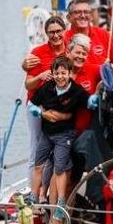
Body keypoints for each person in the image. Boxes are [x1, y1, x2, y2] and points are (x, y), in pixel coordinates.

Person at [28, 56, 96, 224]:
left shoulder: (77, 91)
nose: (60, 76)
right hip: (46, 134)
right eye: (56, 73)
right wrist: (39, 112)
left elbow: (88, 101)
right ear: (53, 73)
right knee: (38, 165)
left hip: (64, 135)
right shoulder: (47, 88)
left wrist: (95, 100)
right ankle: (33, 199)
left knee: (60, 168)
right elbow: (32, 103)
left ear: (69, 73)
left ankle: (61, 203)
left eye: (63, 73)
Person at [23, 16, 68, 179]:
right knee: (36, 149)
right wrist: (40, 76)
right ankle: (32, 191)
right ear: (46, 34)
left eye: (58, 31)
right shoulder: (37, 53)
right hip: (37, 106)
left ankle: (47, 191)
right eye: (51, 32)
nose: (55, 36)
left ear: (64, 31)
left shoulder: (70, 50)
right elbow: (28, 85)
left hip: (61, 106)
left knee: (57, 149)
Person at [63, 0, 113, 66]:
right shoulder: (63, 39)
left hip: (102, 76)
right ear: (68, 18)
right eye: (77, 12)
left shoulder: (103, 34)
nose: (83, 16)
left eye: (86, 12)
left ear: (91, 17)